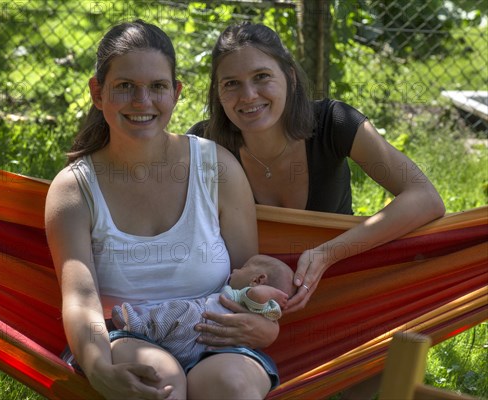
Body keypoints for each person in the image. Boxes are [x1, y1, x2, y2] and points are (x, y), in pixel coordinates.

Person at [189, 21, 446, 399]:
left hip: (338, 302)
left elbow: (425, 197)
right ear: (218, 92)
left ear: (290, 77)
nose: (248, 95)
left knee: (376, 374)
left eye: (262, 77)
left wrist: (328, 252)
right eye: (231, 84)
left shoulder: (333, 123)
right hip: (244, 315)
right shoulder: (205, 144)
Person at [45, 20, 280, 400]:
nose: (143, 102)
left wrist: (266, 325)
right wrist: (99, 368)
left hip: (217, 336)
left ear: (176, 93)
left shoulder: (215, 168)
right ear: (97, 92)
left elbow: (248, 277)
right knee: (162, 384)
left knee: (232, 387)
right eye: (125, 87)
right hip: (126, 339)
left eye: (157, 86)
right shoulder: (75, 189)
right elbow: (80, 298)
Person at [111, 254, 296, 369]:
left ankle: (139, 327)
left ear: (257, 279)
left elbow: (256, 295)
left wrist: (272, 294)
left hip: (198, 322)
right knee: (172, 317)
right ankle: (142, 321)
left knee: (180, 309)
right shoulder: (253, 312)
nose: (235, 269)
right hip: (196, 349)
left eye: (243, 268)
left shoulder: (244, 296)